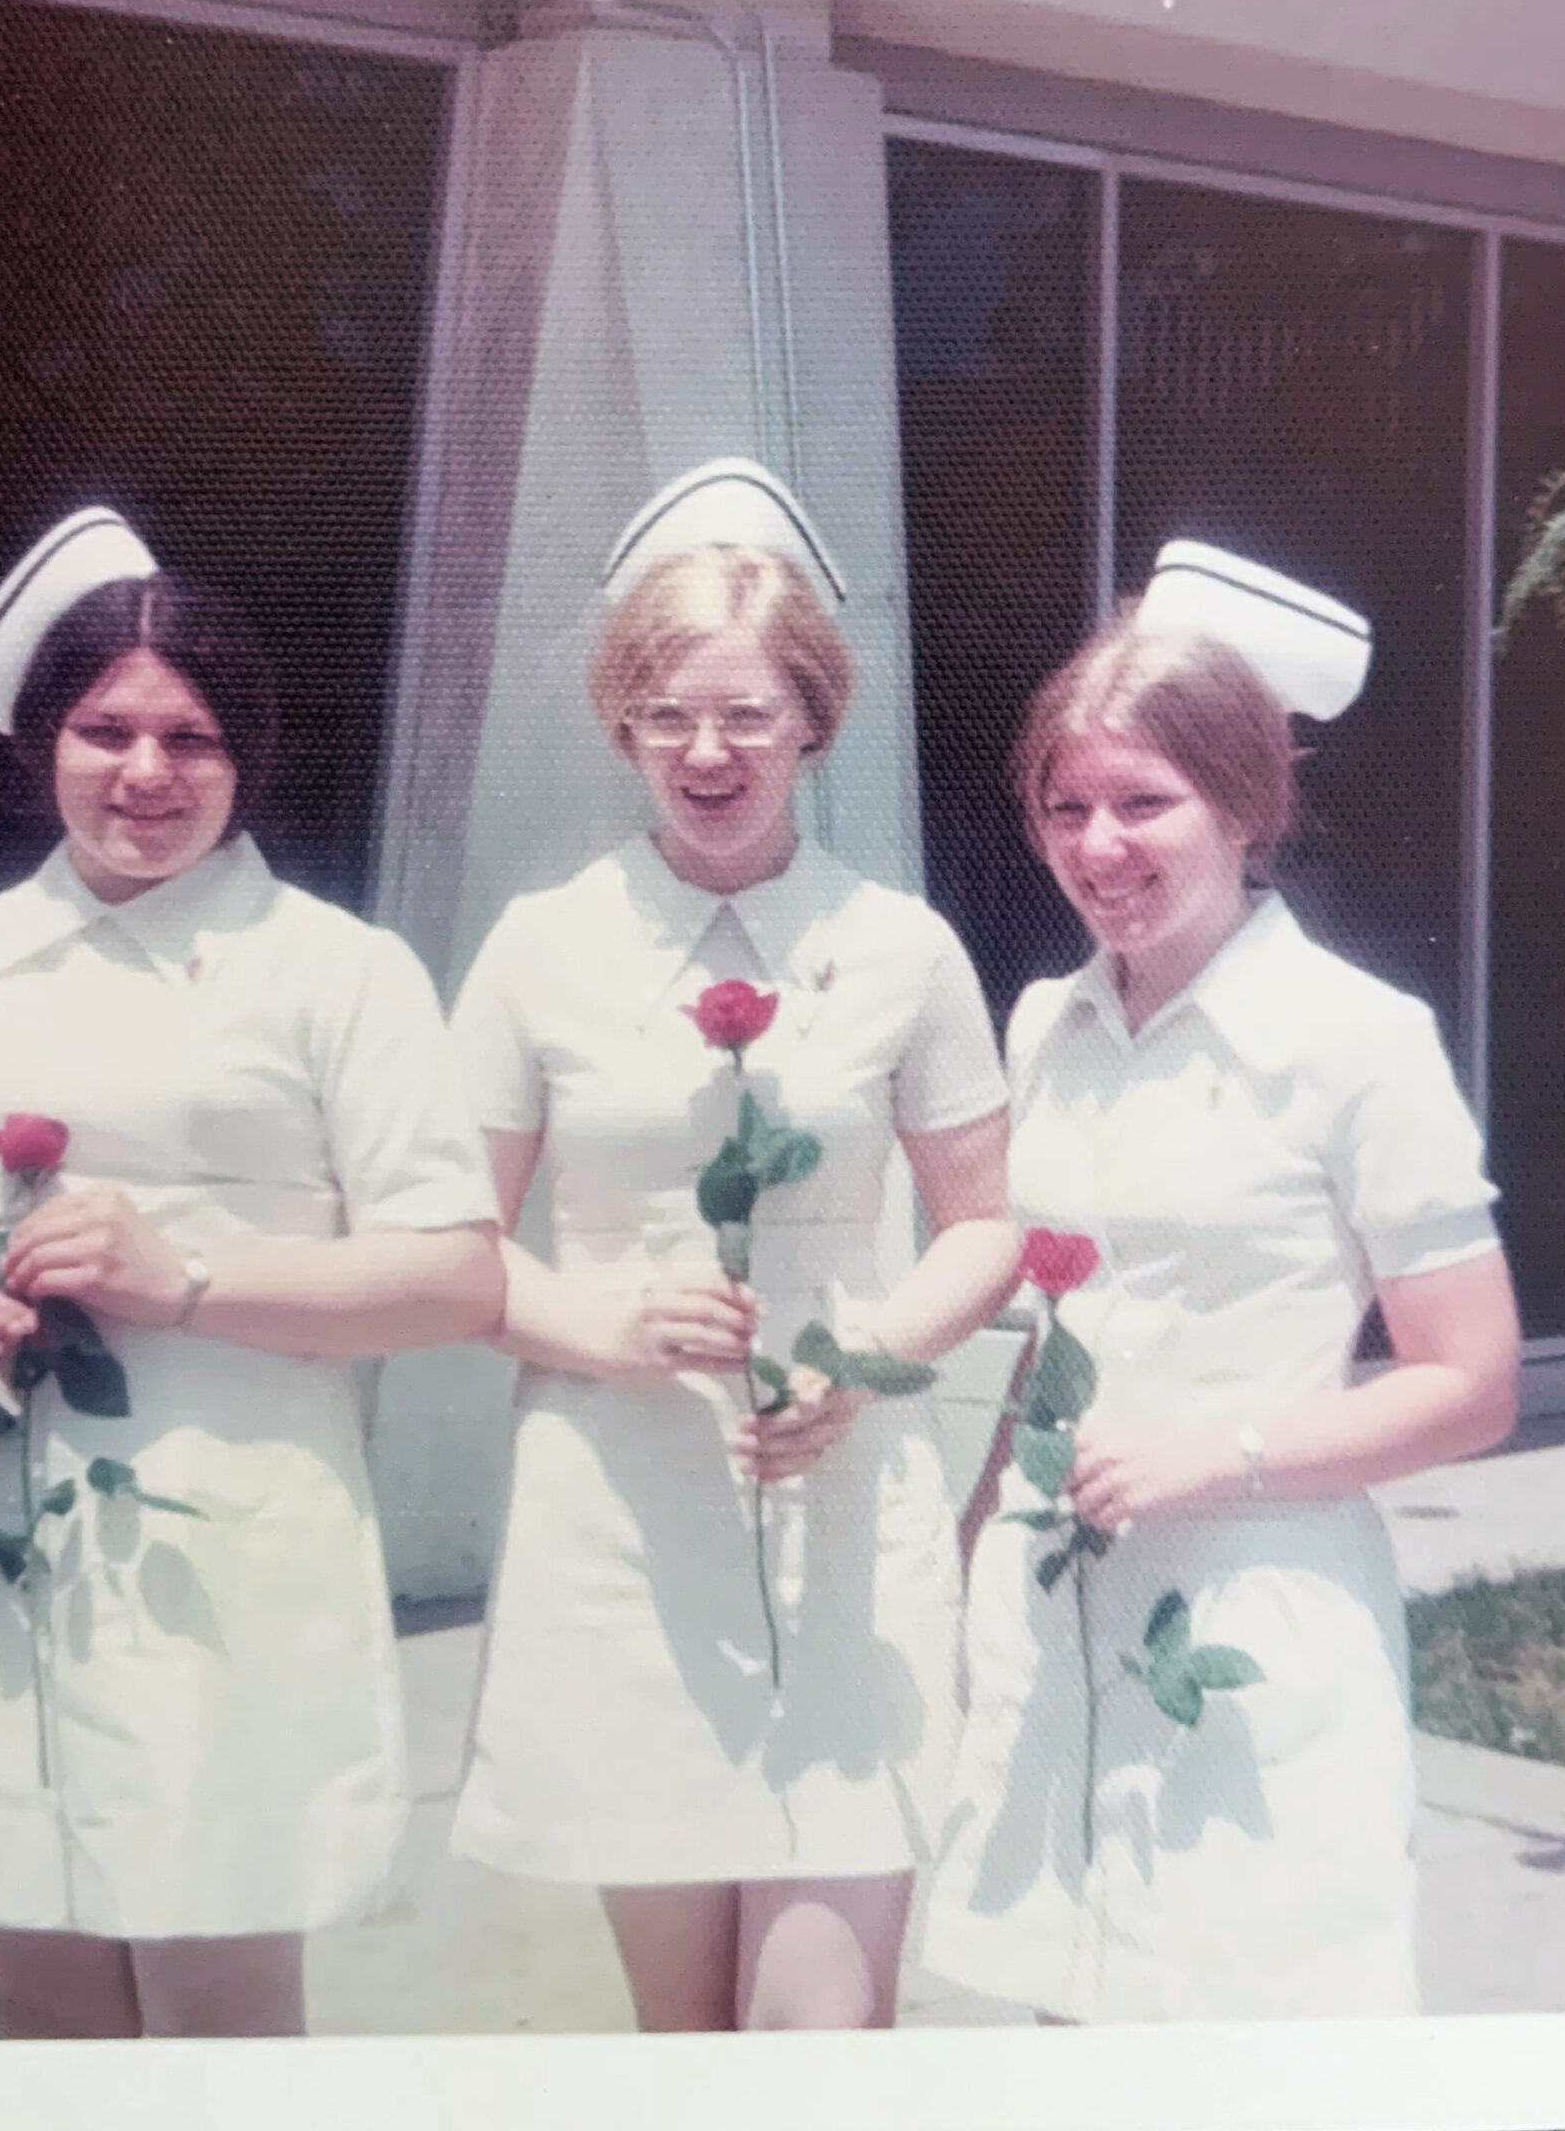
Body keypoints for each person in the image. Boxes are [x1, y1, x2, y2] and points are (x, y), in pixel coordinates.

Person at [0, 506, 503, 2038]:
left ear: (246, 759)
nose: (146, 772)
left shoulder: (336, 971)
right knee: (32, 1994)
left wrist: (184, 1277)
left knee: (221, 2008)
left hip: (227, 1553)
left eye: (192, 738)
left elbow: (455, 1275)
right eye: (105, 730)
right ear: (41, 742)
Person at [447, 460, 1021, 2031]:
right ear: (622, 725)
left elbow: (987, 1226)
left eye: (750, 715)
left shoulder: (902, 948)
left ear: (813, 722)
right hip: (624, 1517)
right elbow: (452, 1243)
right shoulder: (541, 947)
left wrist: (872, 1355)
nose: (709, 753)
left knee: (818, 2032)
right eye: (670, 716)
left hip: (845, 1511)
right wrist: (607, 1327)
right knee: (685, 2042)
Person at [923, 549, 1521, 2024]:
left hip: (1257, 1615)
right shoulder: (1046, 1025)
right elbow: (1060, 1327)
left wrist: (1219, 1454)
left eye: (1144, 803)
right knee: (1068, 2021)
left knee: (1247, 2038)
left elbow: (1474, 1384)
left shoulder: (1357, 1042)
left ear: (1247, 807)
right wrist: (974, 1540)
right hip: (1055, 1605)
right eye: (1064, 807)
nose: (1098, 846)